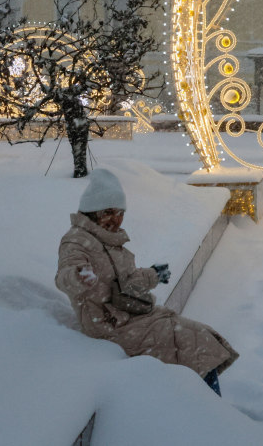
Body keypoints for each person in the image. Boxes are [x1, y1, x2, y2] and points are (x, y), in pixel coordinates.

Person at [55, 168, 238, 395]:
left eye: (120, 212)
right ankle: (204, 406)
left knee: (196, 335)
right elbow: (64, 276)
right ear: (93, 211)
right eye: (108, 212)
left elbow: (125, 282)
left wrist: (152, 275)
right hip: (108, 324)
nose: (116, 219)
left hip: (129, 316)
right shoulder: (76, 241)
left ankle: (202, 403)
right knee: (189, 339)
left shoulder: (108, 240)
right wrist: (78, 276)